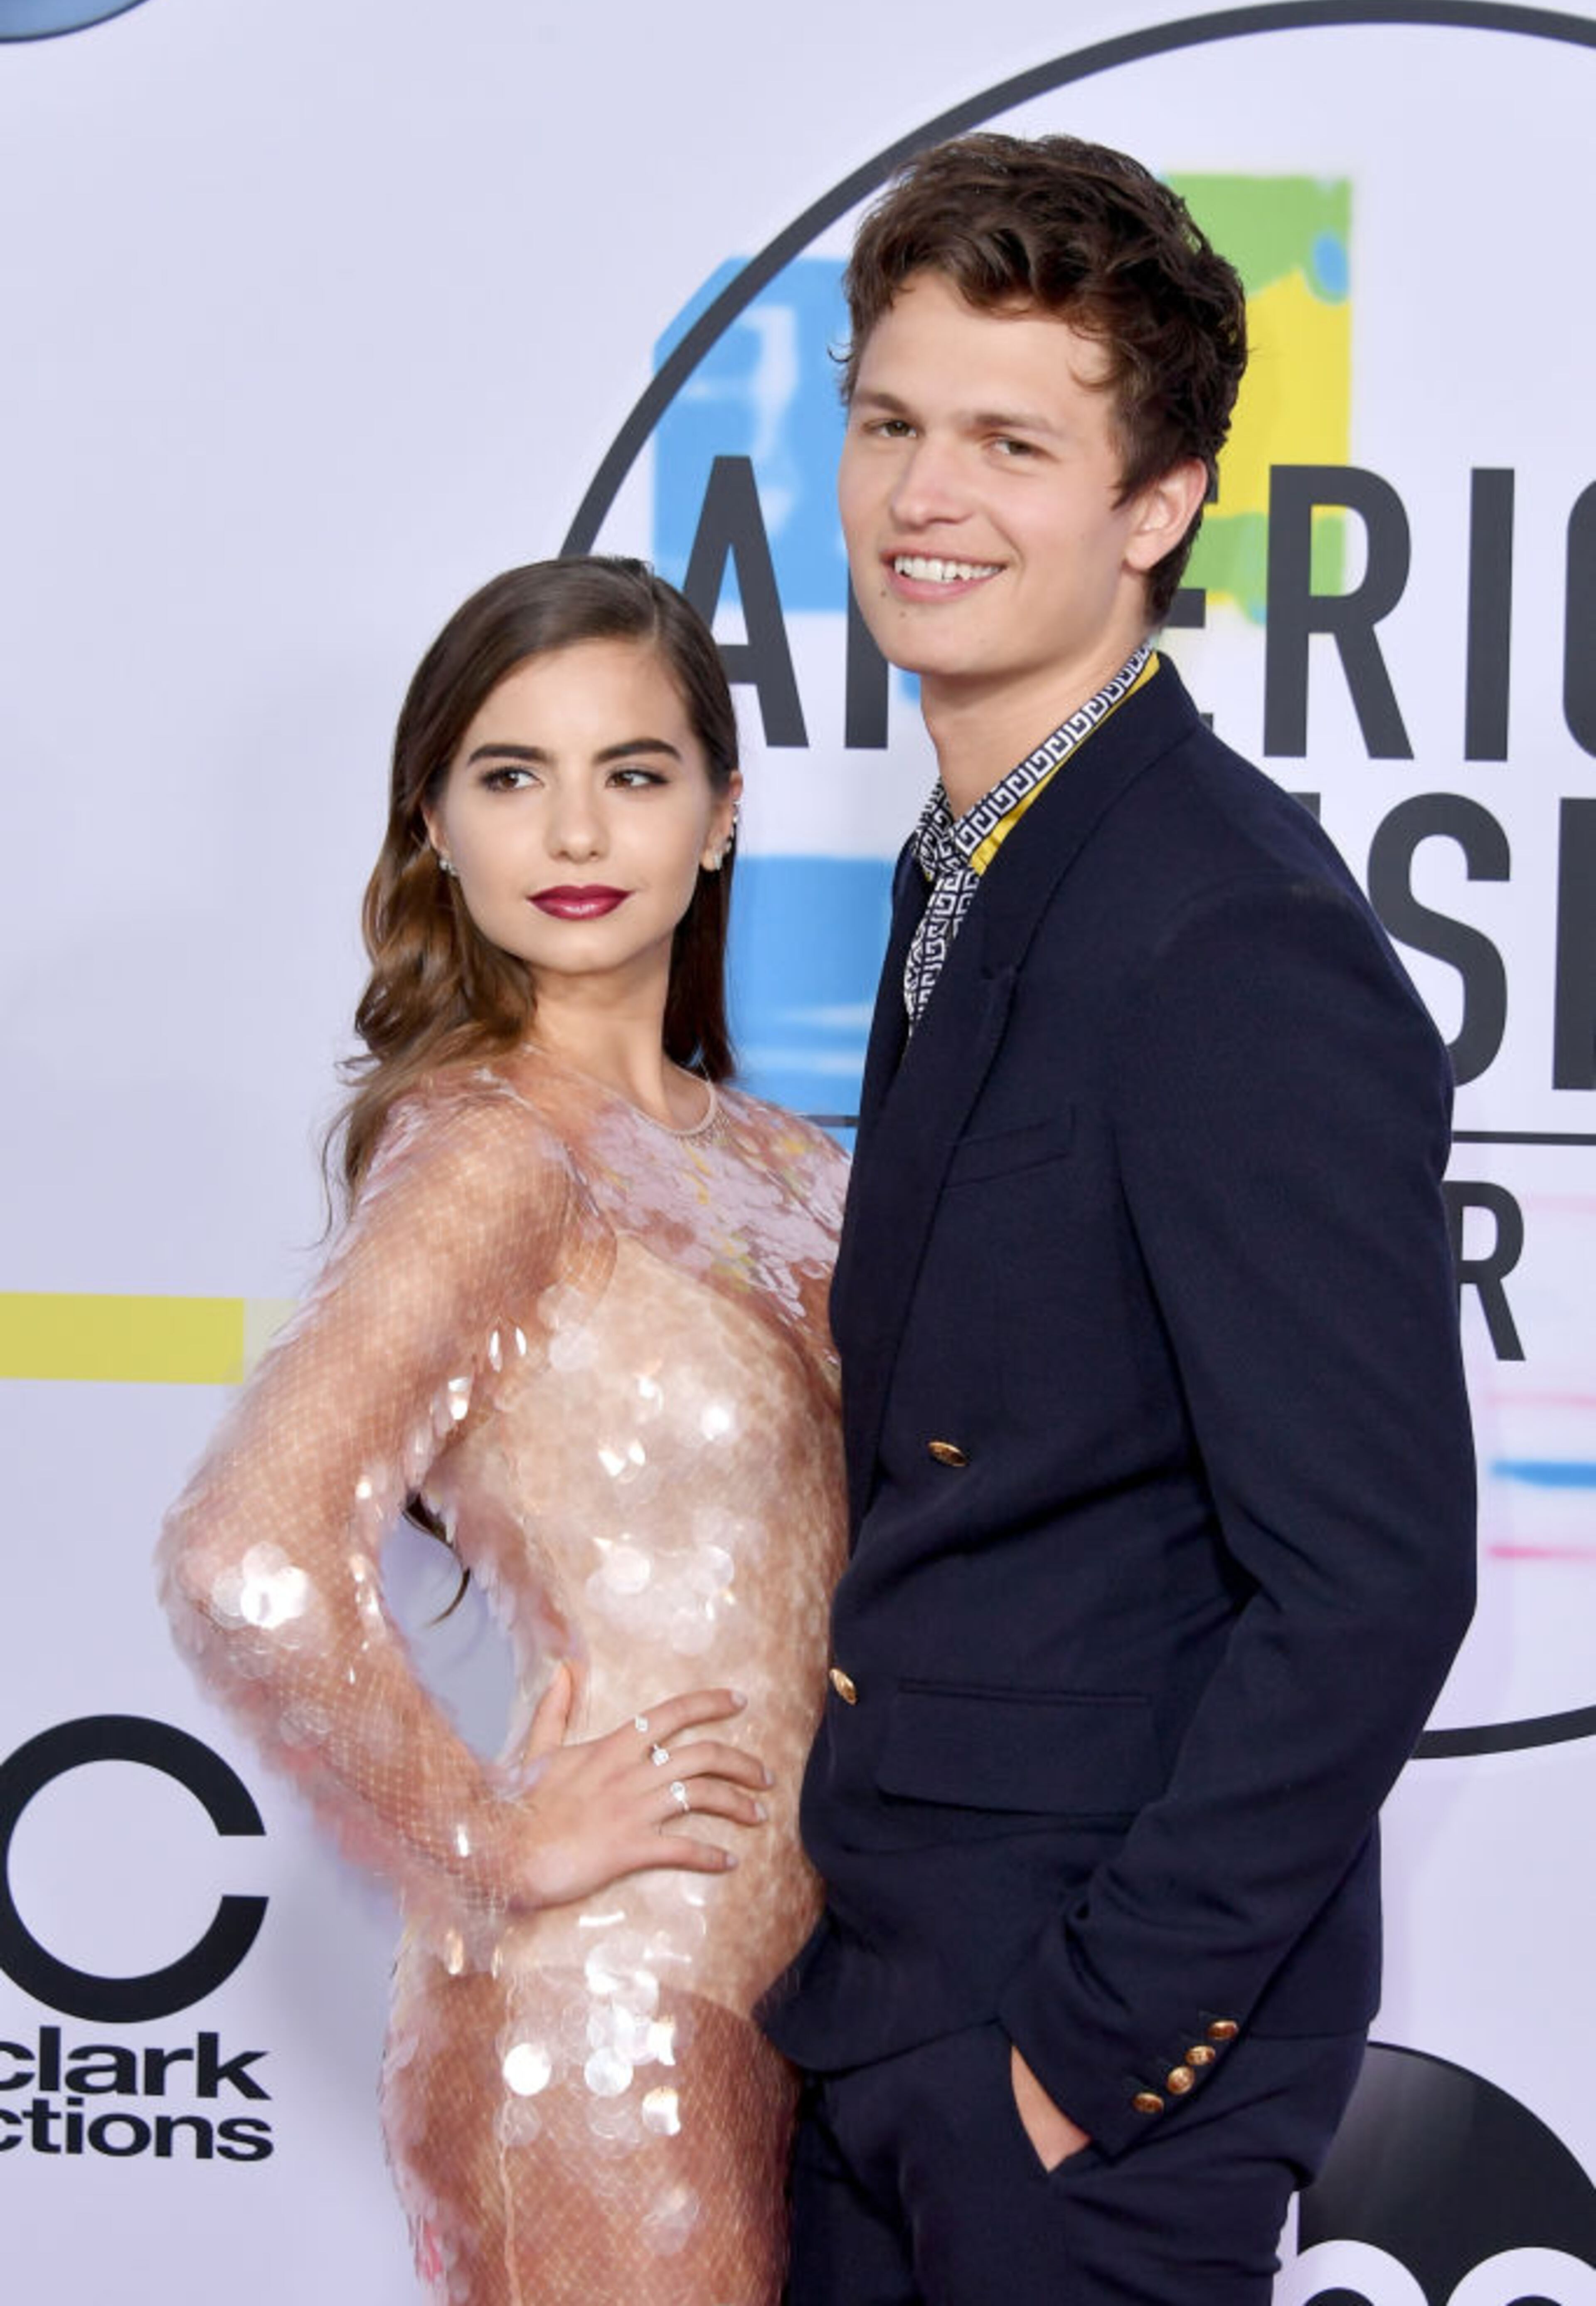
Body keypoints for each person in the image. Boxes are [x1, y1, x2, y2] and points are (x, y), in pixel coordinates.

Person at [759, 133, 1478, 2303]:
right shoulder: (965, 876)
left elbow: (1368, 1582)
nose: (921, 496)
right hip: (887, 1986)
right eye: (890, 424)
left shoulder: (1225, 935)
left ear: (1155, 510)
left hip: (1066, 2063)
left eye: (1008, 442)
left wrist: (1078, 2060)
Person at [160, 557, 848, 2305]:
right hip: (603, 2023)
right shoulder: (486, 1152)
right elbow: (247, 1556)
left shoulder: (795, 1170)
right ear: (438, 832)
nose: (575, 828)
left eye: (633, 772)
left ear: (719, 818)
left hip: (839, 2000)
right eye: (510, 774)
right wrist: (486, 1838)